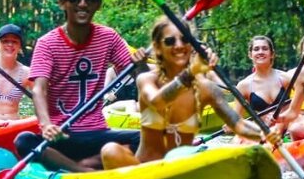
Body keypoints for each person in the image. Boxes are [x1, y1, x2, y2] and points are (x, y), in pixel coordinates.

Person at [14, 0, 145, 172]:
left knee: (145, 137)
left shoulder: (109, 37)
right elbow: (39, 90)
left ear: (98, 4)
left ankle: (84, 165)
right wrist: (46, 125)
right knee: (24, 141)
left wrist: (141, 65)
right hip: (62, 135)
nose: (83, 4)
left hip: (97, 133)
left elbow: (143, 80)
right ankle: (83, 171)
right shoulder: (46, 43)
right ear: (62, 3)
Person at [101, 17, 268, 168]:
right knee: (111, 151)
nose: (179, 45)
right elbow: (158, 101)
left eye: (184, 39)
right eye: (170, 41)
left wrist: (265, 133)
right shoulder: (147, 79)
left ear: (191, 46)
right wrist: (189, 74)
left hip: (180, 167)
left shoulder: (206, 87)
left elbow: (238, 124)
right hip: (145, 170)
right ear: (158, 48)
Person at [234, 35, 289, 122]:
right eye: (256, 49)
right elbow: (236, 120)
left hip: (287, 127)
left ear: (272, 54)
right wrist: (231, 125)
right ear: (250, 55)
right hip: (263, 130)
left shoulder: (285, 78)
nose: (260, 52)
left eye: (265, 48)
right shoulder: (244, 85)